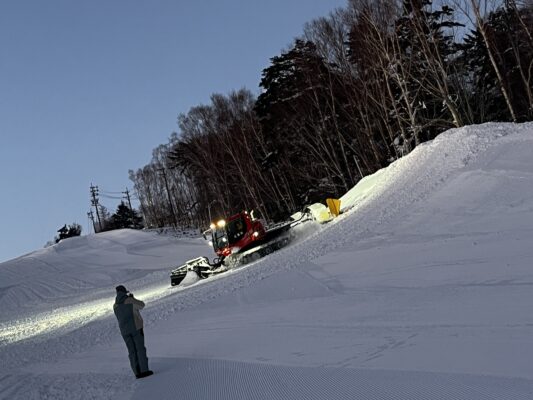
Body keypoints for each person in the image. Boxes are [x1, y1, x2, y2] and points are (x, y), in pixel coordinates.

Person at [113, 285, 153, 379]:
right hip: (136, 328)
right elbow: (141, 305)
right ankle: (144, 370)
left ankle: (136, 372)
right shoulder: (129, 300)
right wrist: (132, 298)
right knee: (140, 349)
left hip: (124, 331)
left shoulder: (115, 305)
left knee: (131, 351)